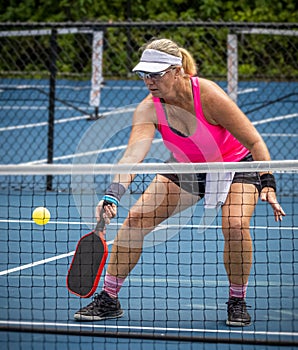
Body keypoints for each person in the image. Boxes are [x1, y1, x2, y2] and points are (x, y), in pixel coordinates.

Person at [74, 38, 285, 326]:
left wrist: (268, 183)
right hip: (187, 167)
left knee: (235, 226)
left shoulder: (208, 94)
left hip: (235, 165)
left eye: (156, 74)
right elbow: (134, 153)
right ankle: (109, 298)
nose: (149, 81)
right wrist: (113, 194)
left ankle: (237, 300)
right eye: (144, 74)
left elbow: (253, 140)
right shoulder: (149, 108)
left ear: (176, 71)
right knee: (135, 219)